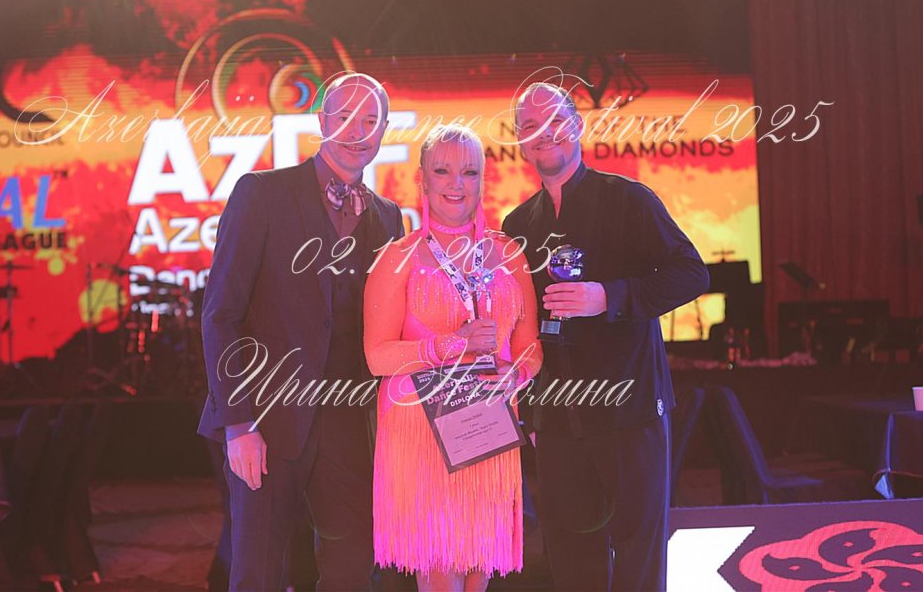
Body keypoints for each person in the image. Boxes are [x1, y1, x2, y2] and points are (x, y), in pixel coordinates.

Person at [198, 72, 405, 591]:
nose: (358, 130)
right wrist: (238, 423)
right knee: (259, 574)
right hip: (265, 422)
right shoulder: (262, 193)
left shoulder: (387, 218)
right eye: (345, 116)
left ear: (384, 131)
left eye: (371, 120)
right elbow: (221, 314)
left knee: (353, 570)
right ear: (321, 121)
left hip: (348, 425)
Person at [501, 82, 710, 591]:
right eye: (530, 126)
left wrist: (609, 296)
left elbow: (691, 273)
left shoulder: (627, 199)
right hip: (557, 423)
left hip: (629, 413)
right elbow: (523, 326)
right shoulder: (517, 223)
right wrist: (531, 412)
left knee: (639, 559)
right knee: (572, 563)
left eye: (554, 120)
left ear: (577, 126)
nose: (543, 133)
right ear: (520, 140)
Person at [363, 124, 542, 592]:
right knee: (441, 572)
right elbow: (377, 357)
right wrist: (448, 346)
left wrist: (517, 374)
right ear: (422, 179)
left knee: (479, 571)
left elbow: (530, 346)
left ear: (483, 179)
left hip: (488, 426)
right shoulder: (398, 257)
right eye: (442, 171)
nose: (455, 183)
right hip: (422, 430)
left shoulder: (509, 253)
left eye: (469, 172)